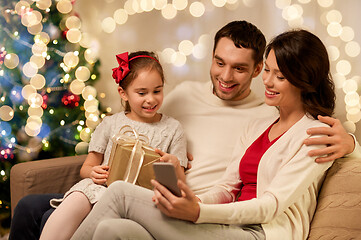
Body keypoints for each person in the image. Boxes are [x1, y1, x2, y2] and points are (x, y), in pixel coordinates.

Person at [9, 20, 359, 239]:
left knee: (117, 196)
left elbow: (270, 204)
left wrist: (351, 141)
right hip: (193, 206)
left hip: (254, 229)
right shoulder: (253, 119)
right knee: (109, 227)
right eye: (219, 62)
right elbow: (141, 110)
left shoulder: (312, 132)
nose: (225, 76)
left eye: (275, 75)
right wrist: (187, 196)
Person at [37, 51, 188, 240]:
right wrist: (93, 172)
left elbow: (181, 185)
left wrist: (173, 164)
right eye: (142, 93)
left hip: (140, 199)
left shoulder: (173, 129)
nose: (151, 99)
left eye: (157, 91)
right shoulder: (111, 124)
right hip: (102, 188)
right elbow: (88, 167)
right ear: (123, 93)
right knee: (77, 198)